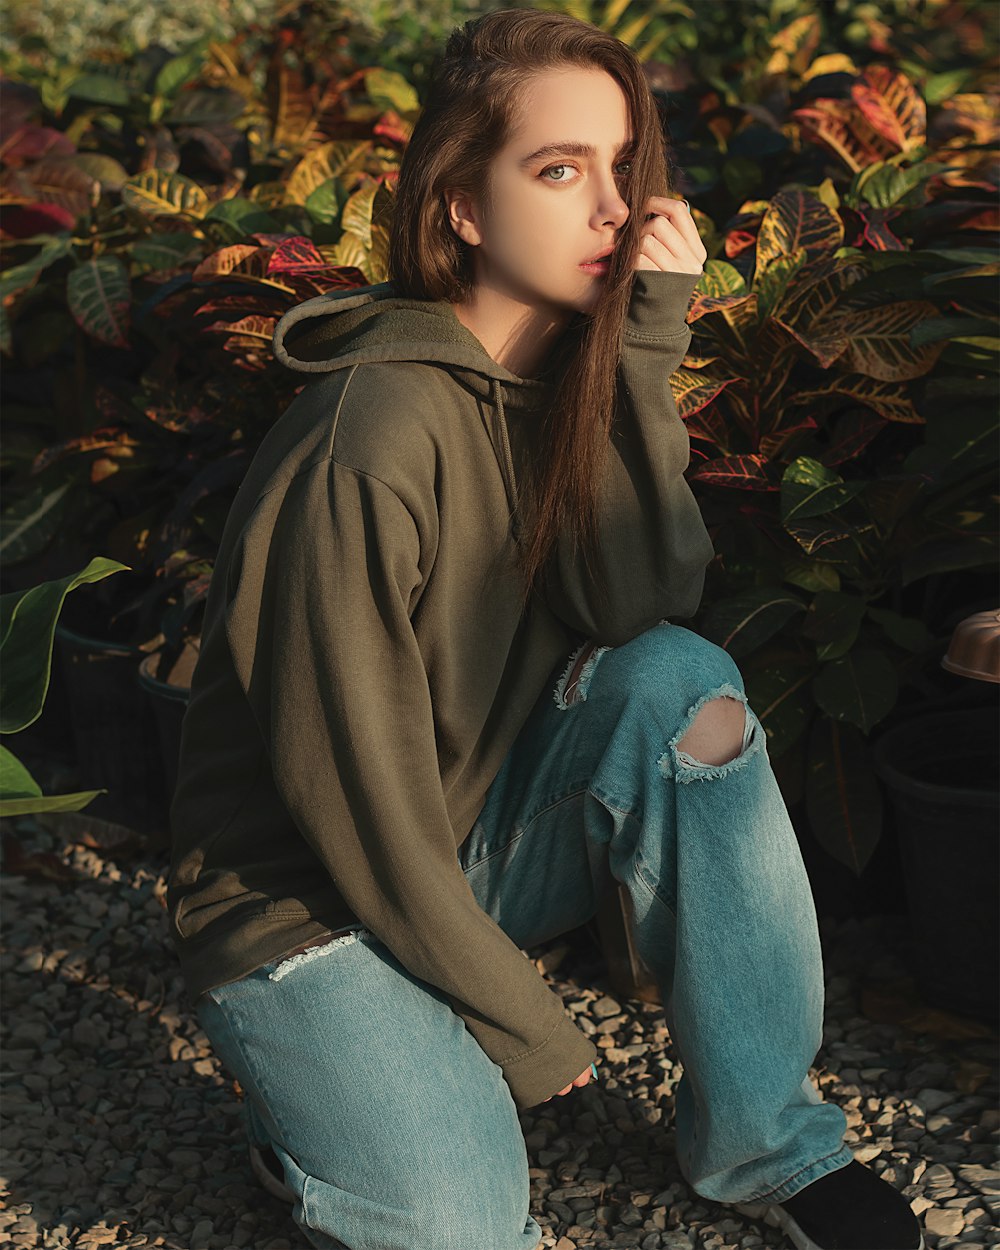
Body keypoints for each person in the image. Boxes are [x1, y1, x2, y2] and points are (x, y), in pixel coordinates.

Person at [165, 9, 925, 1250]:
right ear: (460, 203)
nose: (613, 207)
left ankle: (766, 1144)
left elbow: (642, 608)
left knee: (691, 687)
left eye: (626, 166)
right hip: (307, 901)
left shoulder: (553, 379)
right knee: (461, 1223)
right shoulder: (369, 440)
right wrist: (520, 1014)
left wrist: (640, 350)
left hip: (456, 837)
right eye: (560, 169)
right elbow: (353, 803)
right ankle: (303, 1113)